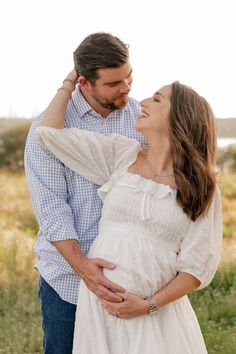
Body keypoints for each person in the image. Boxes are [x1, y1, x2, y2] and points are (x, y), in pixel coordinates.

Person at [35, 68, 222, 353]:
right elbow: (48, 134)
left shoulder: (201, 185)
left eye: (156, 100)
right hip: (100, 311)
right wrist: (71, 80)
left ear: (179, 118)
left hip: (155, 316)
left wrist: (147, 305)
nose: (143, 102)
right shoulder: (121, 154)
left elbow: (197, 268)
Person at [24, 32, 147, 354]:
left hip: (131, 277)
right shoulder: (48, 128)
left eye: (128, 76)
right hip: (68, 279)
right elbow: (51, 208)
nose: (126, 88)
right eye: (113, 83)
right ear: (84, 83)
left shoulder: (143, 121)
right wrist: (85, 269)